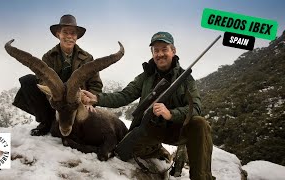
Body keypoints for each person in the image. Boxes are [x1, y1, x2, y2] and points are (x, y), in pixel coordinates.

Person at [81, 32, 214, 179]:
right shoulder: (145, 77)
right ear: (152, 53)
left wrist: (171, 114)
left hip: (178, 129)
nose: (160, 54)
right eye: (156, 50)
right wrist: (97, 98)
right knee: (127, 151)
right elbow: (124, 96)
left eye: (164, 49)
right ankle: (159, 150)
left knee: (200, 123)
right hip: (152, 129)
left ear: (173, 51)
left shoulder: (186, 79)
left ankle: (201, 177)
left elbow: (196, 108)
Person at [13, 14, 103, 136]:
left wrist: (89, 101)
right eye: (65, 32)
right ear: (58, 34)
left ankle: (69, 124)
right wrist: (53, 90)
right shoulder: (48, 57)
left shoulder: (87, 58)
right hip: (56, 101)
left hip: (76, 103)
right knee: (28, 81)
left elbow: (95, 84)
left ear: (77, 37)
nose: (69, 37)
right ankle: (46, 122)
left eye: (73, 33)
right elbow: (42, 78)